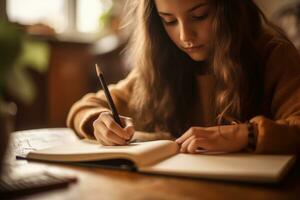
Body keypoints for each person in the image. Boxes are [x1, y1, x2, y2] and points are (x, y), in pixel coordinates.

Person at [67, 0, 300, 154]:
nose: (184, 35)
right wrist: (99, 121)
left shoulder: (273, 54)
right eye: (169, 21)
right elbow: (85, 106)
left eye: (199, 16)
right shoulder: (163, 63)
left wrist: (247, 134)